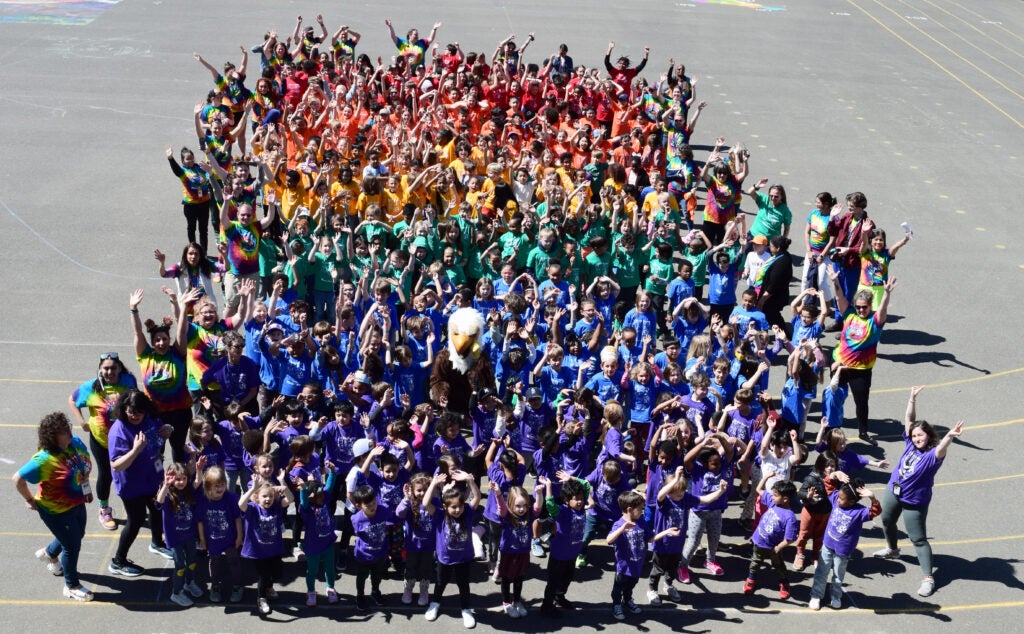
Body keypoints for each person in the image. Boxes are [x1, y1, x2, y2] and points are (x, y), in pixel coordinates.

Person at [874, 386, 965, 598]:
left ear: (928, 435)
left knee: (918, 539)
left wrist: (950, 436)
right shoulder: (910, 444)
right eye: (914, 435)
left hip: (914, 501)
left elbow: (942, 448)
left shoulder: (932, 457)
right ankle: (893, 550)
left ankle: (928, 578)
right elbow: (909, 420)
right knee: (886, 520)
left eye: (920, 435)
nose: (916, 438)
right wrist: (912, 399)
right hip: (893, 491)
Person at [13, 412, 94, 601]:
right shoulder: (44, 460)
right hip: (56, 511)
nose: (68, 430)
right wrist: (30, 499)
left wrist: (86, 490)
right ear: (52, 436)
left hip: (77, 502)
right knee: (72, 546)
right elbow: (18, 479)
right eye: (62, 430)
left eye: (67, 426)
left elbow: (82, 470)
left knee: (76, 535)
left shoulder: (76, 444)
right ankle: (71, 585)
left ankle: (49, 553)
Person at [108, 389, 175, 576]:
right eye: (131, 412)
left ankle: (157, 543)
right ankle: (118, 561)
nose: (135, 416)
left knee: (156, 509)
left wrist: (165, 433)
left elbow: (158, 437)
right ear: (124, 409)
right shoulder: (118, 431)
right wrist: (135, 450)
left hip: (152, 476)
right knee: (135, 521)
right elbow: (116, 465)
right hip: (132, 485)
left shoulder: (149, 418)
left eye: (139, 412)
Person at [68, 352, 137, 531]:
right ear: (100, 370)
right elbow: (72, 400)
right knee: (106, 474)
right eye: (105, 368)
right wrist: (82, 422)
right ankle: (104, 509)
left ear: (119, 368)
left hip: (123, 439)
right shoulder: (92, 387)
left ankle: (133, 506)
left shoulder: (128, 381)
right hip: (101, 441)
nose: (110, 372)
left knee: (127, 472)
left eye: (113, 368)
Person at [826, 271, 897, 445]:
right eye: (858, 306)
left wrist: (887, 293)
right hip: (839, 364)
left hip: (861, 370)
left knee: (861, 402)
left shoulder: (875, 320)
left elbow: (883, 309)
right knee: (834, 397)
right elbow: (840, 296)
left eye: (864, 307)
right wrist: (835, 281)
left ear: (870, 305)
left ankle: (863, 431)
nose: (860, 310)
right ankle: (831, 425)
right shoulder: (849, 314)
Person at [131, 287, 198, 463]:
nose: (161, 343)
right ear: (152, 342)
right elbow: (138, 332)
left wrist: (182, 306)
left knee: (178, 450)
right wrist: (134, 309)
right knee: (155, 452)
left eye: (164, 339)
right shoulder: (145, 356)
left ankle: (179, 482)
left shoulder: (177, 353)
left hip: (180, 412)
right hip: (154, 415)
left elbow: (182, 331)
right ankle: (158, 485)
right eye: (157, 340)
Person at [808, 470, 882, 610]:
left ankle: (835, 596)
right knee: (821, 571)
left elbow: (875, 512)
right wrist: (834, 474)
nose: (838, 500)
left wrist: (872, 498)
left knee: (838, 575)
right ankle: (816, 595)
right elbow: (828, 486)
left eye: (842, 499)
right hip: (828, 544)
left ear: (852, 501)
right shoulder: (836, 499)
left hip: (843, 550)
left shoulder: (859, 511)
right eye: (839, 497)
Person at [423, 469, 481, 628]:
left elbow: (477, 497)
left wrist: (470, 480)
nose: (457, 509)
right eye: (453, 507)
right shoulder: (440, 515)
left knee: (463, 584)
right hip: (445, 559)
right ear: (445, 507)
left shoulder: (468, 513)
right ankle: (435, 603)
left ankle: (466, 609)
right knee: (441, 582)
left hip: (464, 558)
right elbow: (425, 503)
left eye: (460, 506)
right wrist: (433, 484)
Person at [752, 236, 795, 333]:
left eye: (771, 246)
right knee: (772, 317)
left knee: (773, 318)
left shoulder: (781, 264)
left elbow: (773, 286)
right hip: (775, 295)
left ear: (778, 248)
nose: (768, 247)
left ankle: (786, 338)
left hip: (773, 298)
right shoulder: (783, 255)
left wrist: (761, 301)